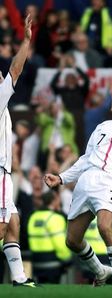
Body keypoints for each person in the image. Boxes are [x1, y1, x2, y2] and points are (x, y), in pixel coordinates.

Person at [44, 82, 112, 288]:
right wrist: (62, 178)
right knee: (72, 241)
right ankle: (101, 271)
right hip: (86, 181)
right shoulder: (102, 126)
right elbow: (85, 158)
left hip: (110, 180)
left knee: (103, 226)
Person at [0, 15, 37, 287]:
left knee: (13, 223)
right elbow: (15, 69)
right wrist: (25, 41)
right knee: (2, 226)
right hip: (0, 172)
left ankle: (19, 278)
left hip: (6, 173)